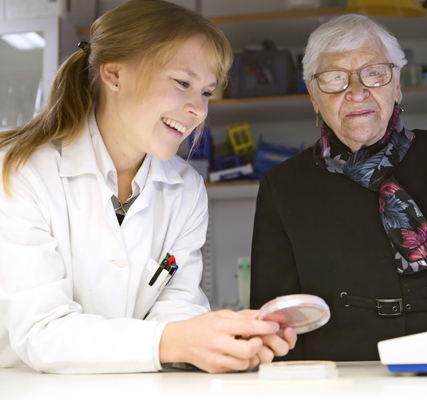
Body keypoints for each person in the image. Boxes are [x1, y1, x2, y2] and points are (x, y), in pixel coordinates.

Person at [0, 0, 295, 374]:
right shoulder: (20, 171)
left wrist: (221, 341)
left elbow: (176, 306)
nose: (198, 110)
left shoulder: (185, 190)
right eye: (182, 83)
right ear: (114, 74)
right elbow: (42, 333)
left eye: (205, 92)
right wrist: (174, 341)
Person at [250, 14, 427, 361]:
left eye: (374, 73)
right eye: (335, 79)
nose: (356, 91)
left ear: (397, 83)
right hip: (342, 380)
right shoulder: (282, 186)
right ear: (313, 95)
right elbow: (273, 321)